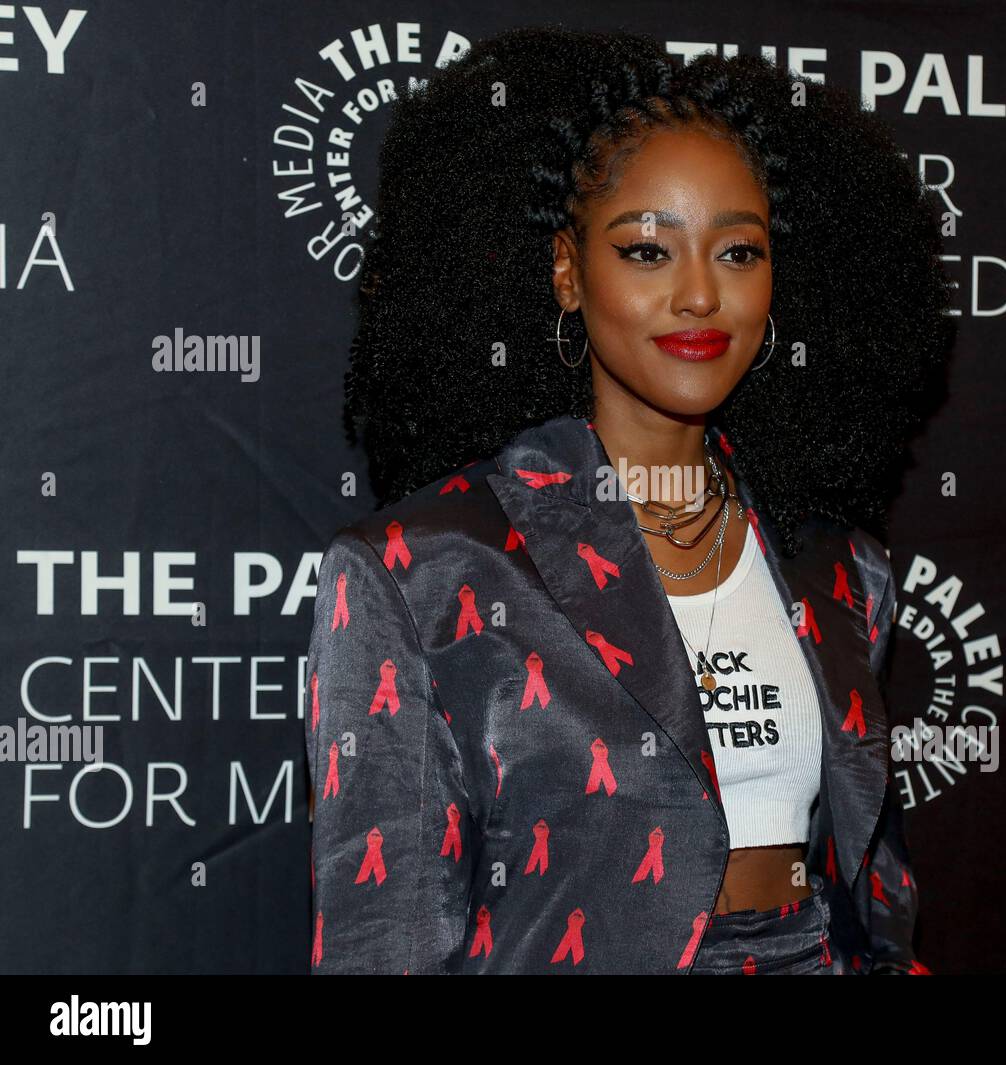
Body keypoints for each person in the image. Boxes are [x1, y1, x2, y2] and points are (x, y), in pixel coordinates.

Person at [304, 24, 954, 975]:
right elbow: (382, 939)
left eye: (739, 252)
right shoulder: (425, 568)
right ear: (568, 271)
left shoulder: (837, 566)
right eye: (649, 252)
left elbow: (876, 891)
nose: (701, 296)